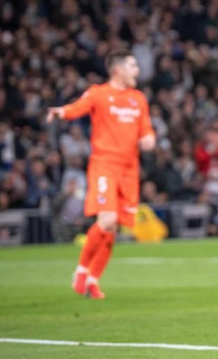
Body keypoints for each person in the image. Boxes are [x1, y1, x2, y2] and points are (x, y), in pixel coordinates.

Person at [46, 49, 155, 299]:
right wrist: (60, 111)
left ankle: (93, 281)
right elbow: (78, 108)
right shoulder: (99, 94)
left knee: (113, 228)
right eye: (133, 66)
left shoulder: (138, 98)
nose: (137, 71)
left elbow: (146, 129)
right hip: (105, 165)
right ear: (118, 70)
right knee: (106, 220)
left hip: (129, 169)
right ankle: (82, 271)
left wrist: (149, 138)